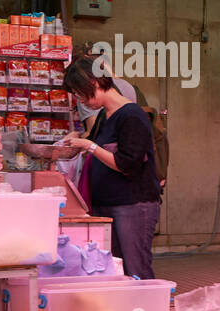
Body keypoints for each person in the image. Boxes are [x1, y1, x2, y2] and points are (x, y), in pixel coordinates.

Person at [59, 55, 163, 280]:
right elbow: (95, 142)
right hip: (108, 206)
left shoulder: (133, 116)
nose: (80, 100)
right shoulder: (104, 117)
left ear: (94, 83)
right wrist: (77, 137)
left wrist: (91, 146)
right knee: (114, 272)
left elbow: (128, 164)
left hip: (133, 205)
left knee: (136, 270)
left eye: (80, 93)